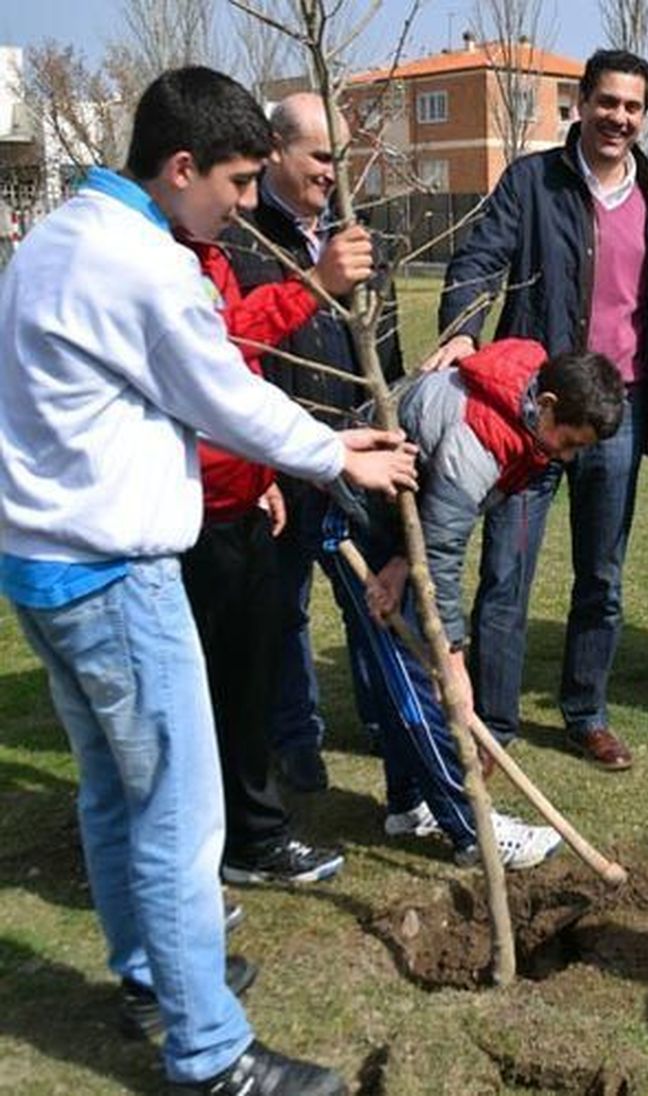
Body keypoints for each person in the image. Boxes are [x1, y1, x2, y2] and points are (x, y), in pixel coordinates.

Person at [0, 67, 416, 1096]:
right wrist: (334, 454)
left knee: (115, 792)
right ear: (181, 166)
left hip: (44, 565)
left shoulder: (55, 238)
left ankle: (153, 977)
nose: (243, 203)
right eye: (235, 182)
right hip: (116, 578)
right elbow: (222, 391)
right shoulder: (146, 265)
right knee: (181, 819)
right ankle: (209, 1054)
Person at [427, 49, 648, 771]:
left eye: (633, 106)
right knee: (506, 573)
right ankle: (494, 724)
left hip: (617, 421)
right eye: (607, 101)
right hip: (536, 416)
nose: (619, 117)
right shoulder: (532, 183)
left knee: (602, 577)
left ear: (645, 116)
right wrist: (463, 326)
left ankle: (586, 713)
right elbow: (479, 259)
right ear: (580, 104)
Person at [336, 341, 623, 868]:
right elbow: (442, 553)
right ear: (548, 403)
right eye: (568, 442)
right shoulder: (481, 436)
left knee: (403, 672)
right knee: (414, 677)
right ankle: (472, 828)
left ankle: (408, 805)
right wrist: (454, 661)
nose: (566, 457)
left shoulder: (525, 408)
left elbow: (430, 519)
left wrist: (399, 560)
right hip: (349, 507)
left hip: (391, 519)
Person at [180, 200, 373, 886]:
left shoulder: (210, 253)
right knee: (208, 687)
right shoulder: (163, 261)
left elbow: (240, 377)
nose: (242, 201)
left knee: (246, 677)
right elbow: (216, 363)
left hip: (244, 495)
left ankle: (251, 837)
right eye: (236, 180)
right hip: (193, 511)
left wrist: (258, 474)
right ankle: (224, 845)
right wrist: (313, 286)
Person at [226, 92, 406, 794]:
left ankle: (382, 715)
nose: (334, 173)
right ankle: (296, 737)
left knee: (374, 594)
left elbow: (382, 350)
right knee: (282, 607)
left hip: (357, 454)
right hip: (281, 457)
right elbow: (237, 351)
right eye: (322, 156)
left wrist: (387, 427)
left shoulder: (360, 237)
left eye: (343, 158)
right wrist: (263, 463)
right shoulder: (243, 239)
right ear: (276, 150)